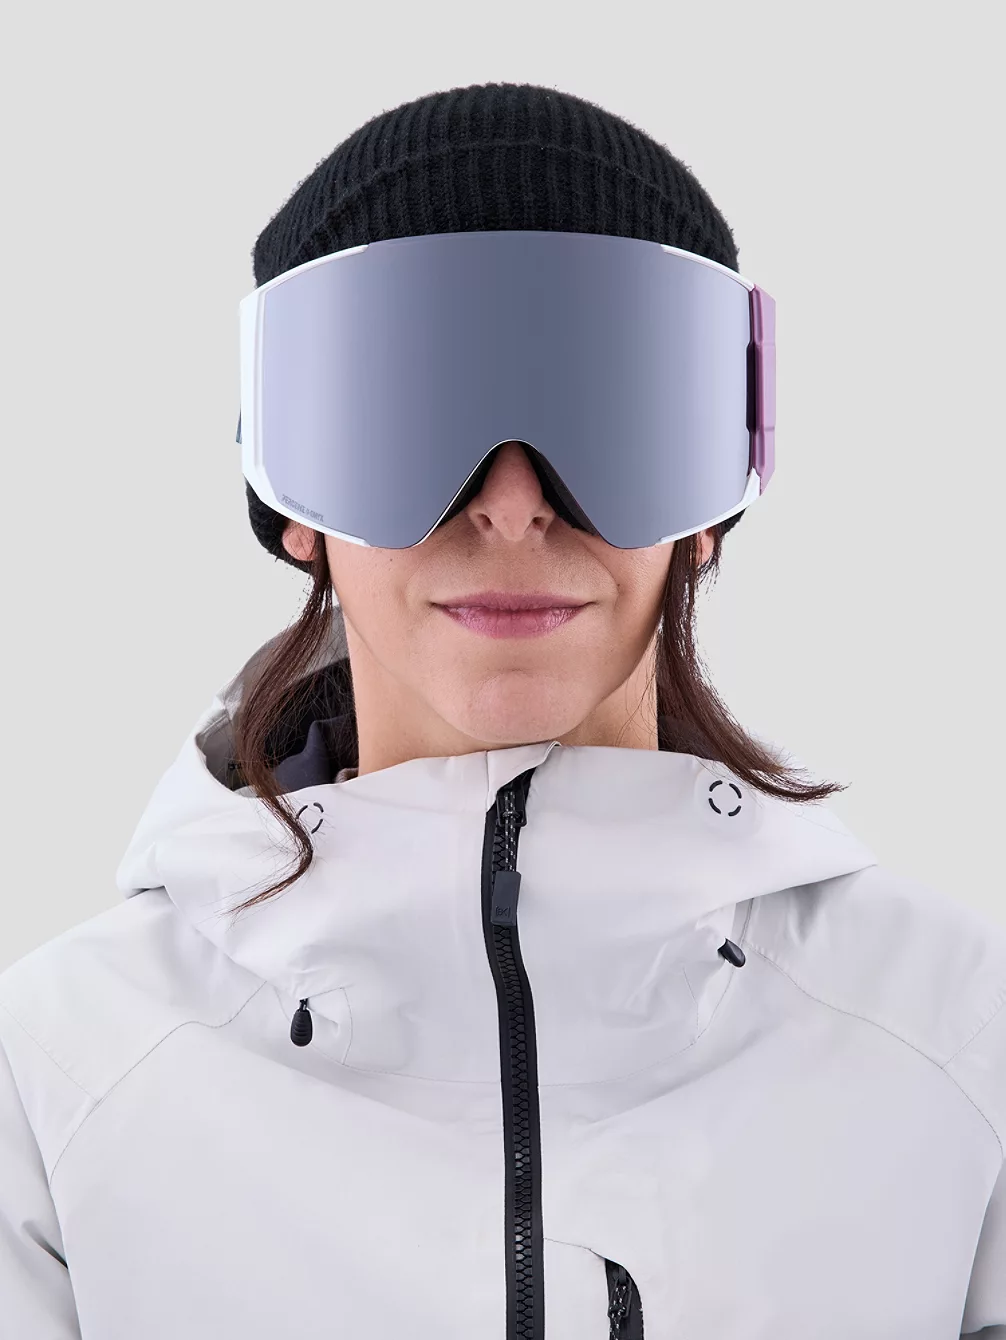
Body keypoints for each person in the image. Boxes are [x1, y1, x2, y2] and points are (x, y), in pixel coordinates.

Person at [1, 80, 1003, 1340]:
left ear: (710, 502)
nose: (514, 502)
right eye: (410, 412)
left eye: (609, 409)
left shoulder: (954, 1028)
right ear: (294, 503)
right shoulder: (63, 1064)